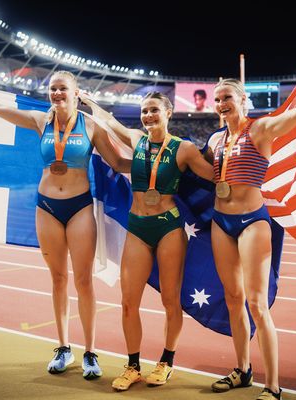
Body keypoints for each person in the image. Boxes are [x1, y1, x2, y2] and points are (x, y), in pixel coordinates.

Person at [0, 68, 131, 380]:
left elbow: (119, 163)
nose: (56, 94)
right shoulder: (41, 121)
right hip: (47, 207)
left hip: (79, 207)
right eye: (52, 89)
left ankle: (90, 352)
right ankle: (63, 347)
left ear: (76, 93)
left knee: (83, 281)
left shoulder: (91, 125)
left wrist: (157, 167)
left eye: (63, 89)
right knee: (57, 280)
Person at [204, 45, 296, 400]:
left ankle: (273, 385)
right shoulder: (215, 139)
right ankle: (242, 369)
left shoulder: (261, 129)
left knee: (255, 303)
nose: (221, 104)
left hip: (253, 222)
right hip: (221, 222)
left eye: (227, 97)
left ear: (243, 100)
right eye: (217, 99)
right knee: (232, 298)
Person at [80, 91, 214, 391]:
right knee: (128, 302)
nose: (148, 116)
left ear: (168, 113)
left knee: (170, 300)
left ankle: (166, 361)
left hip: (168, 228)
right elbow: (111, 124)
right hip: (137, 228)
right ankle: (133, 366)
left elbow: (216, 177)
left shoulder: (184, 149)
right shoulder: (137, 140)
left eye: (154, 110)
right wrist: (90, 104)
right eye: (144, 111)